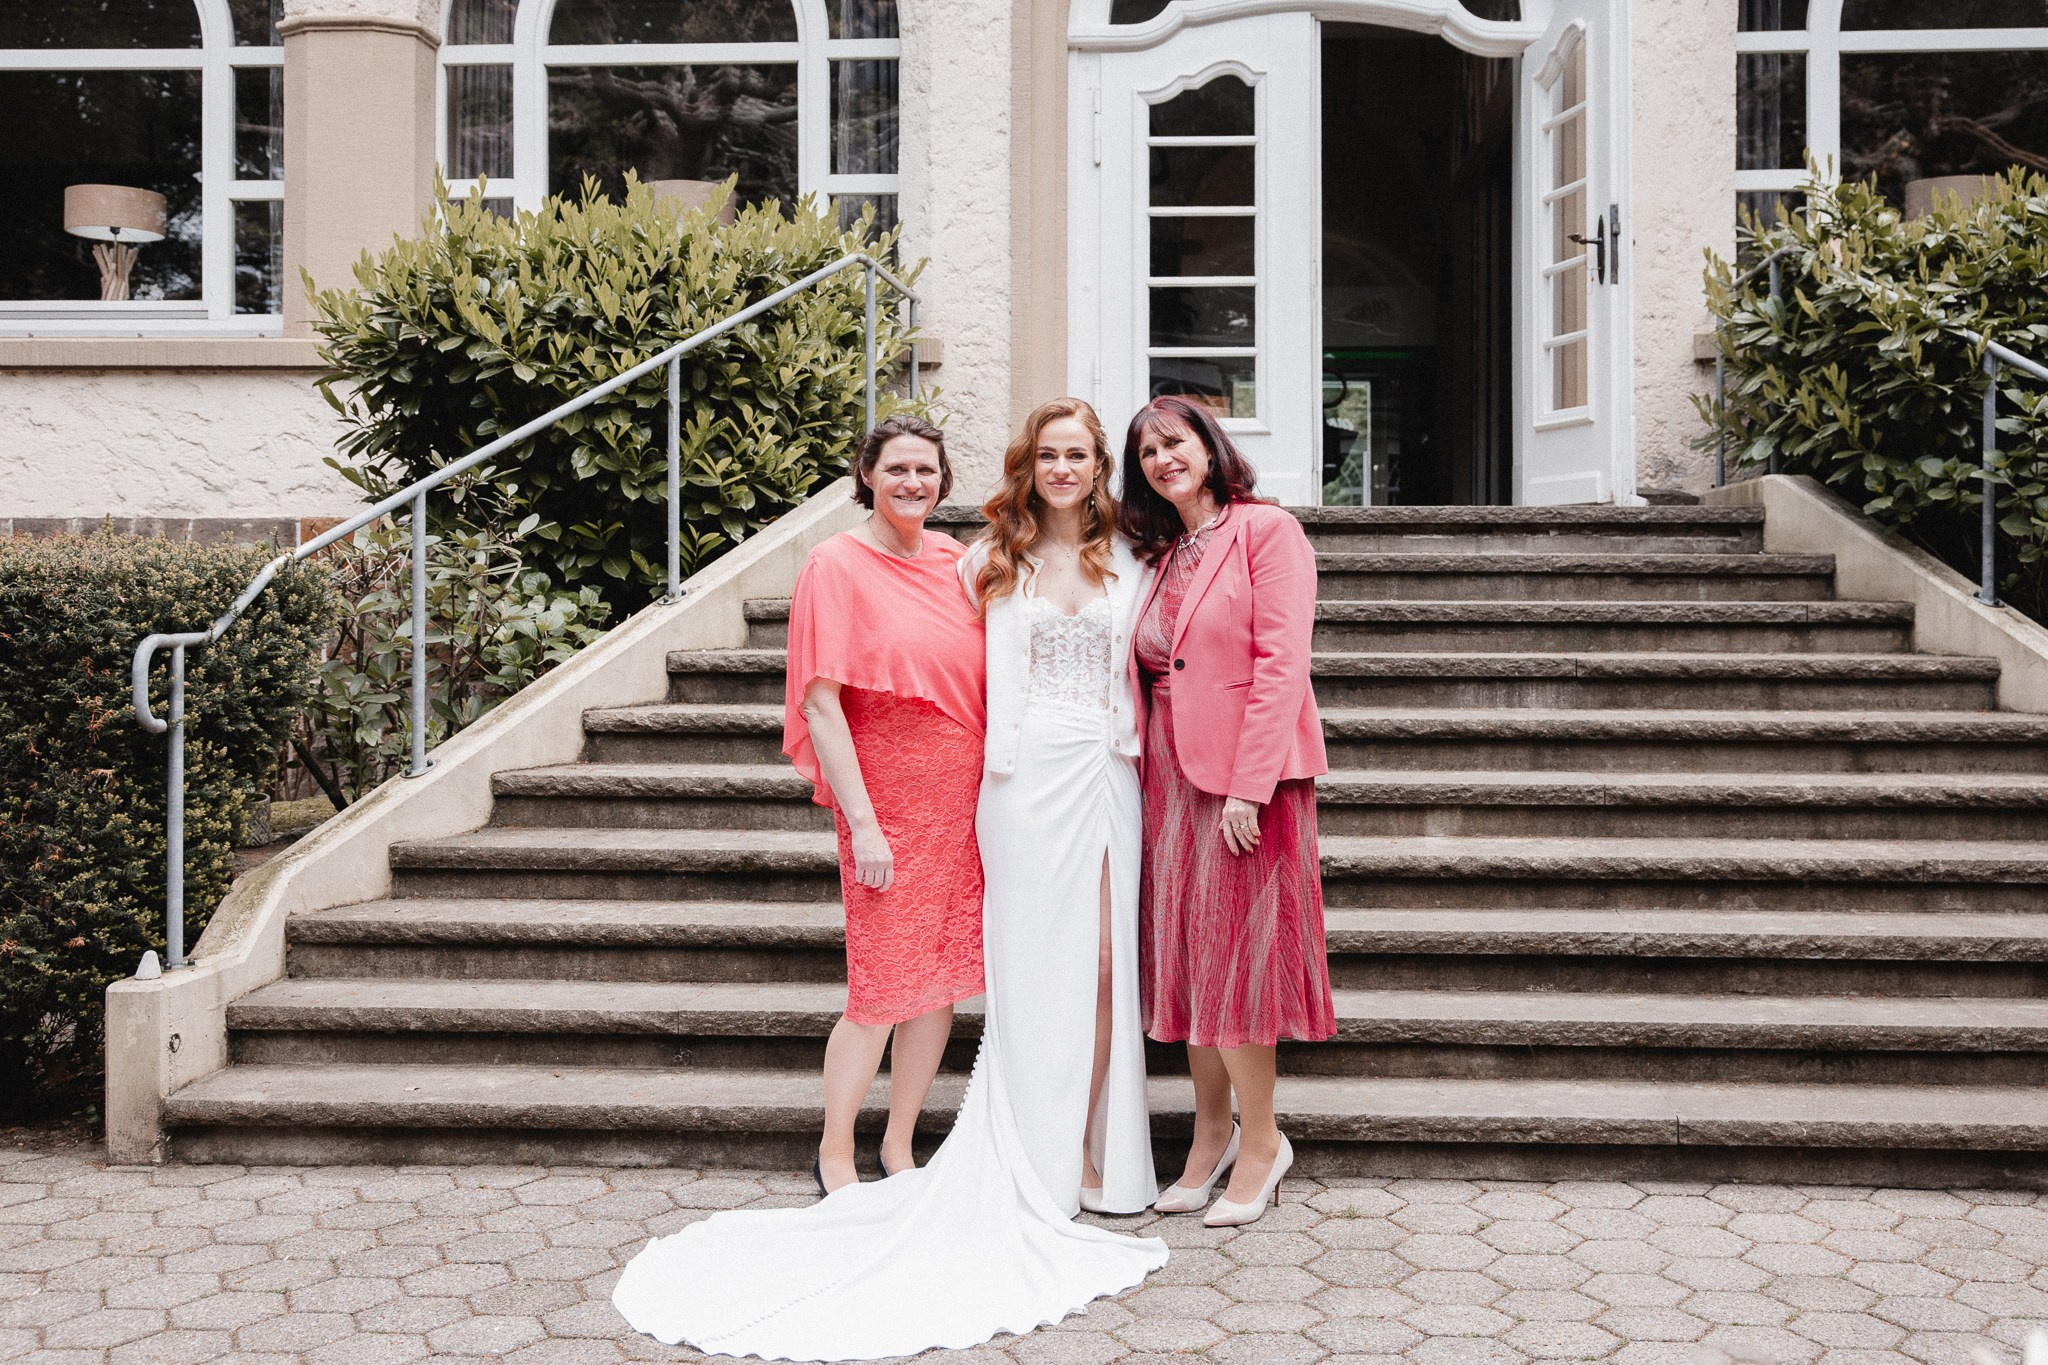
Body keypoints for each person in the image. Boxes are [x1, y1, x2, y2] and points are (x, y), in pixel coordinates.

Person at [610, 404, 1167, 1360]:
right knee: (880, 981)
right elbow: (821, 698)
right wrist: (861, 817)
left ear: (944, 483)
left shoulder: (962, 560)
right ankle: (837, 1149)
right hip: (889, 799)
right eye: (896, 469)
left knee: (944, 979)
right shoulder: (836, 564)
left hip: (969, 793)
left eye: (925, 471)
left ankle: (904, 1144)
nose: (912, 484)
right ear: (867, 474)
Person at [1121, 394, 1335, 1229]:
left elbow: (1283, 662)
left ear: (1210, 447)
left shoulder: (1265, 531)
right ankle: (1208, 1136)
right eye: (1146, 453)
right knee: (1186, 959)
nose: (1162, 460)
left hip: (1247, 779)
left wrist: (1249, 785)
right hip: (1168, 777)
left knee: (1238, 964)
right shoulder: (1167, 550)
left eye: (1174, 443)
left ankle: (1262, 1140)